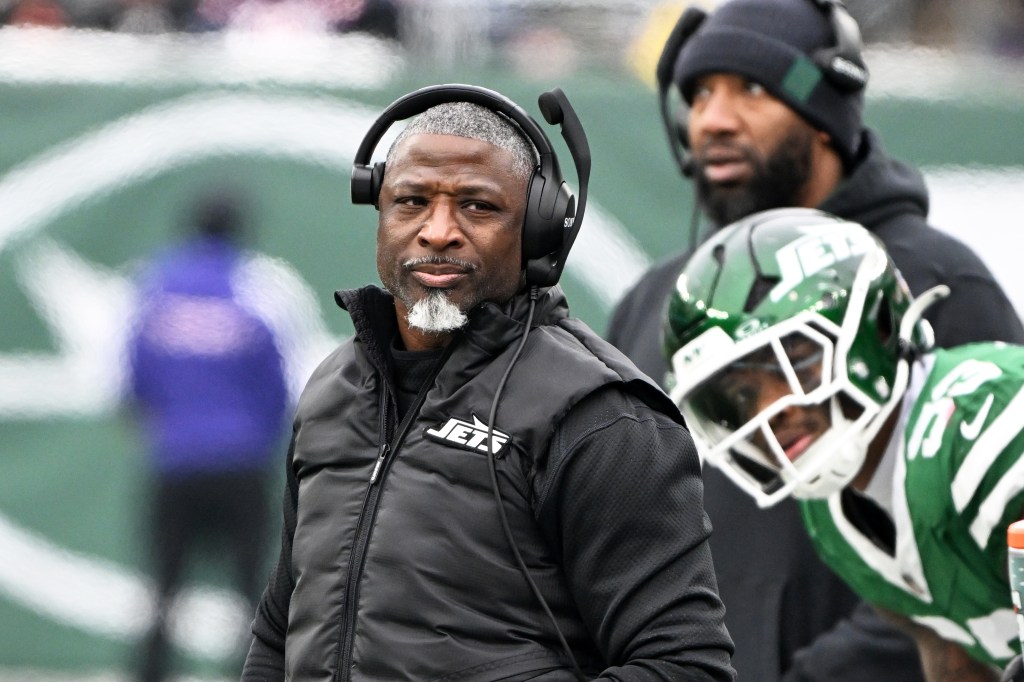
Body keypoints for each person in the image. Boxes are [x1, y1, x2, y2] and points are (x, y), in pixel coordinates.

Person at [240, 85, 736, 681]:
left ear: (539, 230)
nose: (438, 230)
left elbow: (685, 665)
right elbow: (279, 630)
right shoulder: (335, 386)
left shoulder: (603, 419)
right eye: (412, 201)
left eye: (477, 206)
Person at [606, 0, 1024, 679]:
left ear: (826, 113)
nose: (712, 118)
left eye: (751, 88)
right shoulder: (658, 305)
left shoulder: (934, 281)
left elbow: (961, 582)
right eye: (700, 93)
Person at [662, 207, 1024, 682]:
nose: (773, 409)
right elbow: (954, 657)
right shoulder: (833, 512)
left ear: (876, 325)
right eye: (744, 394)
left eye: (792, 360)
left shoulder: (985, 424)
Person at [125, 187, 290, 682]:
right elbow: (279, 385)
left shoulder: (157, 289)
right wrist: (256, 438)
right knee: (252, 591)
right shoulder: (257, 289)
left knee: (162, 589)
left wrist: (169, 426)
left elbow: (136, 378)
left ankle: (150, 675)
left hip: (176, 461)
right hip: (241, 463)